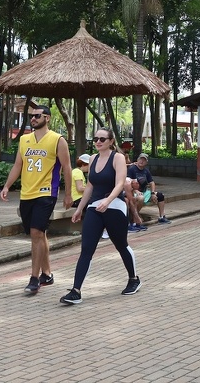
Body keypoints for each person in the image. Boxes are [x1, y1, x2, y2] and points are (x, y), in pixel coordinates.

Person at [59, 127, 140, 304]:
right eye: (95, 138)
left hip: (115, 206)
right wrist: (80, 208)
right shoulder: (93, 159)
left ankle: (134, 278)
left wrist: (108, 201)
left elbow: (120, 184)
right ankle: (76, 291)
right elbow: (89, 187)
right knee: (86, 248)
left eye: (102, 139)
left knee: (121, 245)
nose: (98, 142)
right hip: (95, 208)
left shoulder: (117, 158)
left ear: (111, 141)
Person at [0, 104, 72, 295]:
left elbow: (66, 168)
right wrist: (7, 185)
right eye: (31, 116)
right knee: (40, 235)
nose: (33, 119)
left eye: (37, 116)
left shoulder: (58, 140)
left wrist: (68, 194)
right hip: (27, 193)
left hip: (47, 192)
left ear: (47, 118)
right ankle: (47, 274)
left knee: (35, 234)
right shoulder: (24, 140)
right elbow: (18, 165)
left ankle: (34, 278)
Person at [127, 153, 171, 225]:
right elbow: (128, 182)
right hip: (133, 192)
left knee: (160, 195)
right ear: (137, 160)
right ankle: (135, 217)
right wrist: (135, 190)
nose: (141, 161)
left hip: (144, 192)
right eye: (140, 159)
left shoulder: (146, 171)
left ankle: (162, 217)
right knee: (141, 198)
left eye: (144, 160)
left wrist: (153, 193)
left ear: (146, 162)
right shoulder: (132, 169)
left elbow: (152, 182)